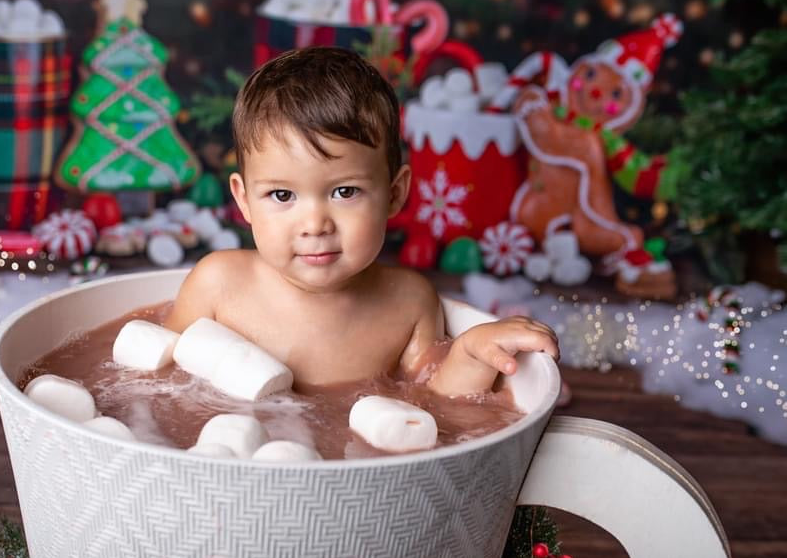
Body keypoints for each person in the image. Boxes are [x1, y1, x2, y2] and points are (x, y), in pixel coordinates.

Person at [165, 47, 558, 396]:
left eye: (345, 192)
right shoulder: (218, 286)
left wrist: (472, 353)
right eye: (282, 195)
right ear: (244, 200)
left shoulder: (408, 302)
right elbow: (155, 376)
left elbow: (438, 394)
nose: (316, 224)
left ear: (394, 194)